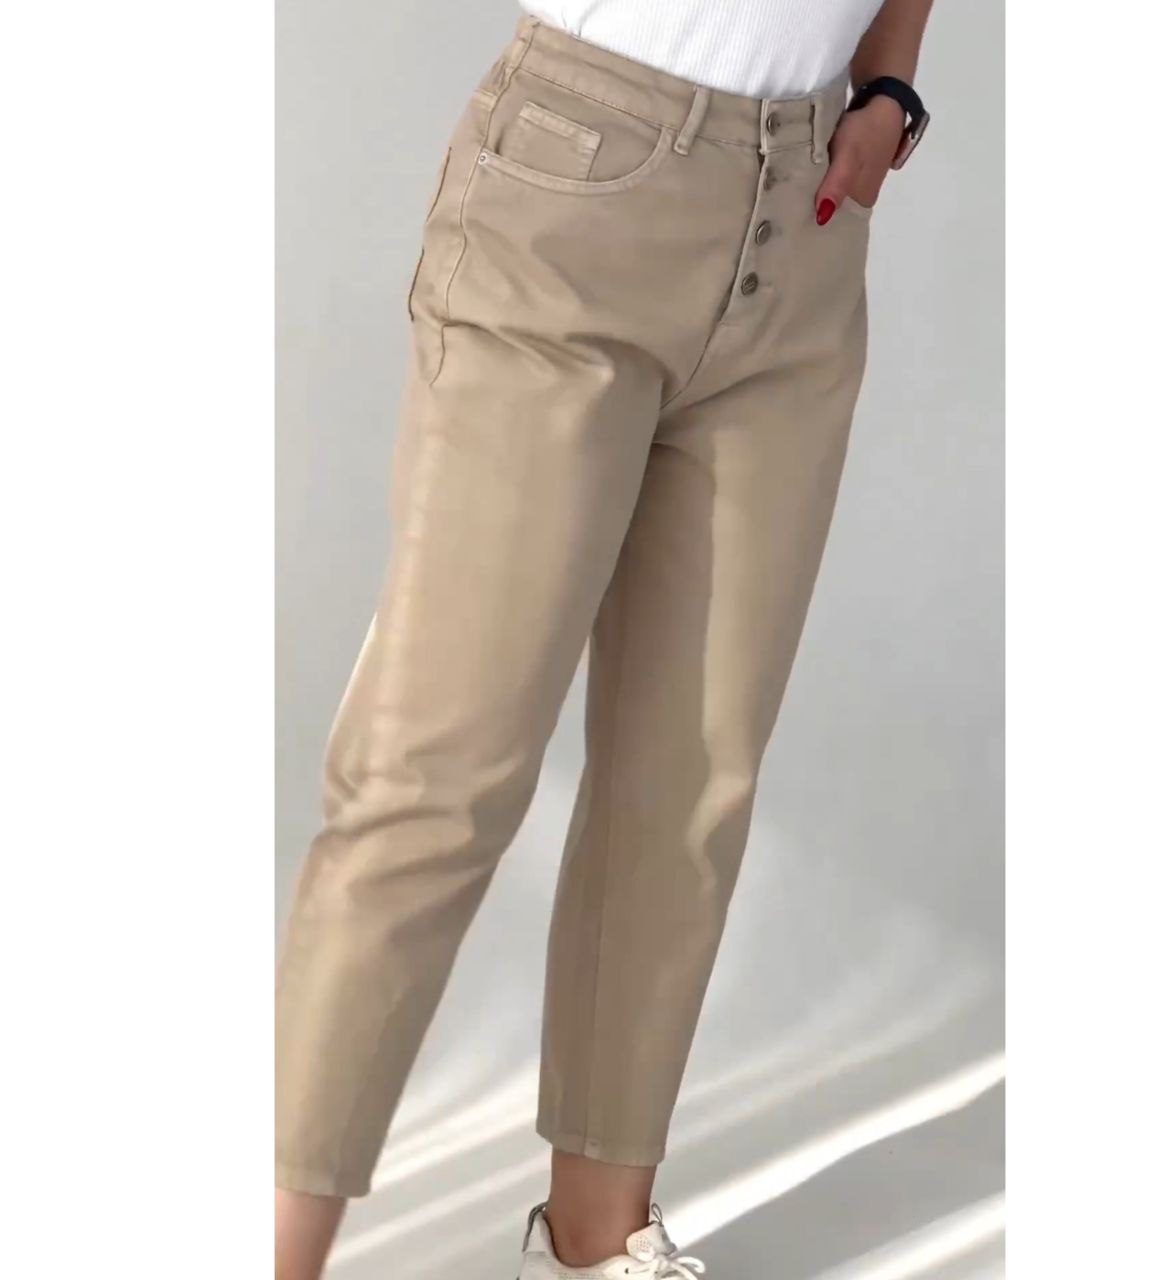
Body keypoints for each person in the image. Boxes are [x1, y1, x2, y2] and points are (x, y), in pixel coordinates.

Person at [276, 0, 935, 1275]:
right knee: (432, 782)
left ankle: (594, 1242)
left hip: (802, 220)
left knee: (683, 791)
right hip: (579, 178)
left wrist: (888, 84)